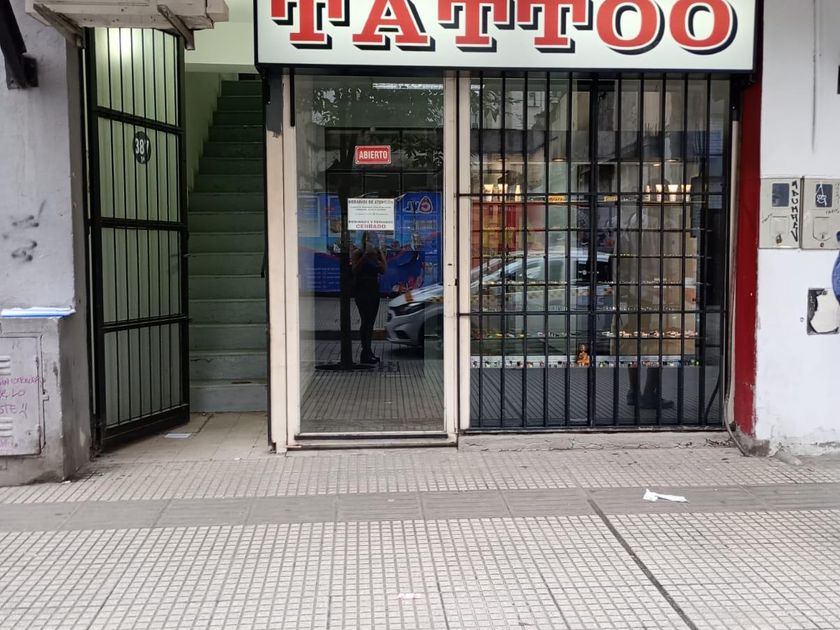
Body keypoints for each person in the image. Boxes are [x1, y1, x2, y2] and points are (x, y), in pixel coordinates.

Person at [352, 231, 387, 365]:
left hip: (373, 289)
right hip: (361, 289)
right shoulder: (358, 253)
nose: (370, 241)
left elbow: (383, 269)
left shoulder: (377, 253)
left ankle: (368, 351)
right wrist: (365, 257)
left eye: (372, 238)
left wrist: (377, 256)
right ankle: (365, 351)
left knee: (371, 322)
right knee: (365, 321)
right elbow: (354, 270)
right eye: (367, 238)